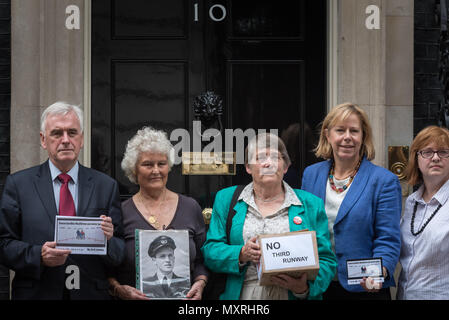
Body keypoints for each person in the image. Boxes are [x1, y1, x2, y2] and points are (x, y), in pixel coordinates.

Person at [0, 101, 125, 300]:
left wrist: (108, 240)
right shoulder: (18, 184)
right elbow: (4, 244)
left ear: (82, 139)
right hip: (38, 294)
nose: (65, 140)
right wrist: (37, 255)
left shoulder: (106, 186)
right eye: (57, 133)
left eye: (72, 133)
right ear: (43, 140)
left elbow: (120, 252)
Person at [202, 133, 337, 300]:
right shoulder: (226, 199)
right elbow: (210, 251)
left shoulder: (311, 204)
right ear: (248, 167)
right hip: (242, 296)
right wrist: (241, 253)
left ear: (285, 167)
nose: (268, 163)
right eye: (260, 158)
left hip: (292, 295)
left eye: (275, 157)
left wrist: (303, 288)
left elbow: (327, 260)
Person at [301, 102, 402, 300]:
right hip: (318, 285)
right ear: (328, 135)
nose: (347, 137)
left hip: (364, 288)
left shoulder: (383, 181)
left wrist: (379, 272)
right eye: (340, 130)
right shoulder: (310, 174)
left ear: (363, 136)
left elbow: (388, 237)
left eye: (354, 131)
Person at [108, 127, 208, 300]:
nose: (156, 170)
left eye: (161, 164)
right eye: (147, 164)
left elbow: (203, 258)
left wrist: (200, 283)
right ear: (134, 170)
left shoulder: (190, 207)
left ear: (168, 167)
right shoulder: (121, 212)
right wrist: (118, 289)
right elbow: (106, 265)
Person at [397, 126, 449, 300]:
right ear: (416, 159)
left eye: (443, 152)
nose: (435, 158)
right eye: (427, 152)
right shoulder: (412, 202)